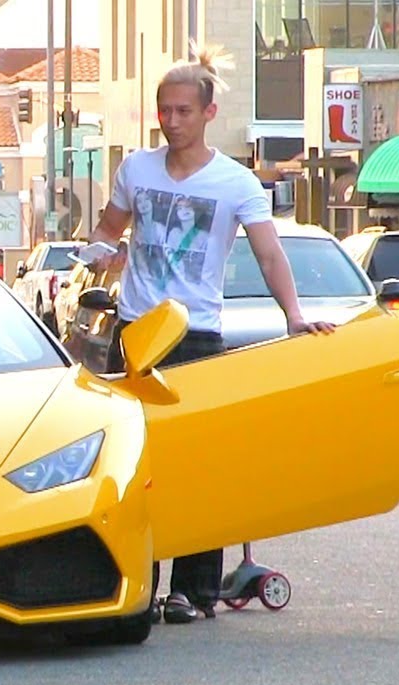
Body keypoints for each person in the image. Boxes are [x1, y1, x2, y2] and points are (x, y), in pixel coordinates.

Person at [88, 43, 335, 625]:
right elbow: (106, 228)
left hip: (197, 334)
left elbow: (269, 255)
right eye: (164, 111)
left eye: (183, 111)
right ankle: (137, 586)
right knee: (137, 465)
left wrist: (294, 315)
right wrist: (100, 253)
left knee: (198, 466)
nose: (171, 121)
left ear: (208, 113)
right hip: (137, 331)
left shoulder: (235, 182)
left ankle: (192, 592)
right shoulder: (136, 169)